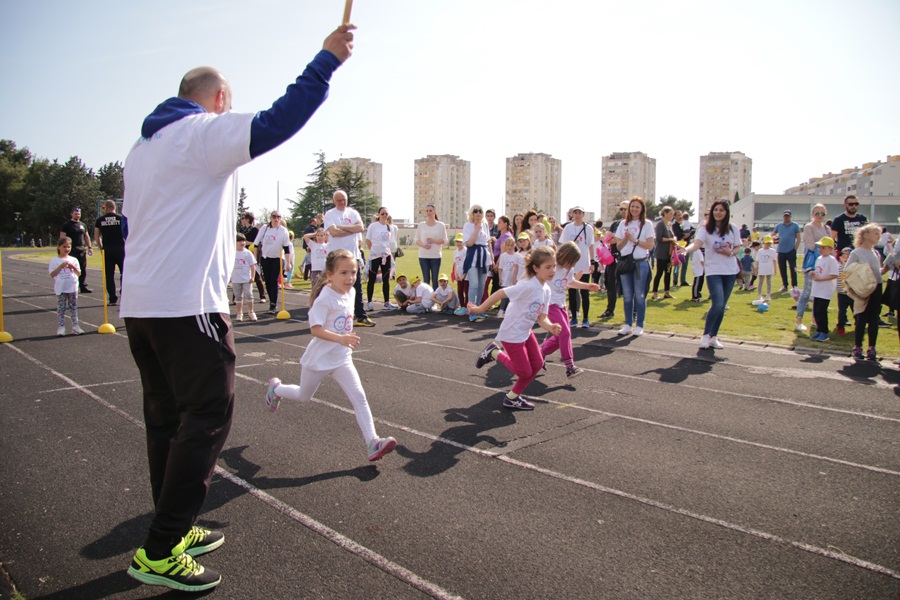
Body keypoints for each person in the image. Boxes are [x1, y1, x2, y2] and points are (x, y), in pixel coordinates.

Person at [120, 23, 355, 593]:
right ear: (219, 100)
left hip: (142, 305)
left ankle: (169, 530)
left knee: (167, 420)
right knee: (208, 416)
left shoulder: (141, 148)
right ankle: (159, 549)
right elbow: (278, 119)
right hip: (186, 304)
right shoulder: (198, 132)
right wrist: (326, 61)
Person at [265, 248, 396, 458]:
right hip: (318, 360)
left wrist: (345, 337)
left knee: (360, 398)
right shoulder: (325, 299)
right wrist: (340, 338)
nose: (350, 278)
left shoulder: (351, 292)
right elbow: (315, 329)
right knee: (303, 396)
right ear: (330, 275)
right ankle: (276, 389)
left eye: (353, 272)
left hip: (341, 358)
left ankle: (373, 442)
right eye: (343, 273)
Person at [469, 246, 561, 410]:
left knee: (538, 364)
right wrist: (479, 309)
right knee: (524, 372)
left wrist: (551, 327)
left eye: (554, 266)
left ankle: (511, 398)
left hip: (525, 331)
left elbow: (542, 317)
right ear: (536, 268)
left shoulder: (546, 289)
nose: (552, 270)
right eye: (548, 267)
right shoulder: (528, 286)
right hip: (511, 332)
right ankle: (494, 352)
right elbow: (500, 294)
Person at [681, 200, 741, 350]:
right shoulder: (706, 229)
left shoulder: (733, 228)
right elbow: (697, 244)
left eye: (721, 210)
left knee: (722, 307)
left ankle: (714, 336)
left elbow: (738, 246)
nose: (718, 213)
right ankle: (706, 335)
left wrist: (731, 252)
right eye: (715, 210)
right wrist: (685, 250)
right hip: (713, 271)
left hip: (730, 271)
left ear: (726, 213)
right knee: (718, 303)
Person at [540, 241, 600, 379]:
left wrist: (588, 286)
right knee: (565, 333)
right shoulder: (551, 266)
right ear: (565, 256)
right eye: (572, 261)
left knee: (559, 335)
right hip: (549, 304)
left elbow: (570, 282)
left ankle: (540, 354)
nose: (573, 265)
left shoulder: (568, 269)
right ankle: (570, 366)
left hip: (561, 305)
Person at [325, 189, 374, 327]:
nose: (342, 202)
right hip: (337, 257)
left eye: (344, 200)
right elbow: (334, 232)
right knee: (336, 286)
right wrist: (350, 228)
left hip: (353, 256)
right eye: (339, 200)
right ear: (334, 201)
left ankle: (361, 316)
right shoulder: (330, 214)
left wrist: (343, 228)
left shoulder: (353, 212)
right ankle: (335, 315)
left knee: (356, 287)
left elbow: (360, 228)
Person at [614, 197, 654, 336]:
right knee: (627, 296)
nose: (634, 209)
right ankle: (628, 324)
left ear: (642, 209)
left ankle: (640, 324)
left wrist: (635, 240)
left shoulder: (647, 224)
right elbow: (618, 247)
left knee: (640, 295)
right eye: (632, 206)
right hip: (626, 263)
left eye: (637, 207)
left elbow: (650, 245)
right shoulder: (622, 224)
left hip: (640, 262)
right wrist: (626, 238)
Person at [846, 224, 883, 360]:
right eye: (875, 233)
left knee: (874, 318)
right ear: (866, 235)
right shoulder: (856, 252)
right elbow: (848, 270)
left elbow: (878, 273)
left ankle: (872, 347)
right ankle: (857, 347)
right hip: (863, 289)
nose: (878, 236)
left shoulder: (875, 253)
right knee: (861, 317)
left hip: (877, 287)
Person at [794, 204, 831, 333]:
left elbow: (830, 245)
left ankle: (815, 320)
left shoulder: (826, 228)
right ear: (812, 214)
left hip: (824, 265)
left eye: (822, 213)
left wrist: (826, 251)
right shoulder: (809, 227)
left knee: (819, 295)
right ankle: (799, 321)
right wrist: (823, 249)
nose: (820, 216)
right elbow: (811, 245)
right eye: (817, 213)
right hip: (812, 264)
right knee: (806, 293)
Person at [559, 206, 594, 328]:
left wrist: (593, 261)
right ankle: (573, 317)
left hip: (584, 264)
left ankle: (585, 318)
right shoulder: (568, 227)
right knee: (572, 291)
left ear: (583, 214)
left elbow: (591, 245)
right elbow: (563, 245)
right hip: (571, 264)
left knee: (585, 292)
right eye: (575, 213)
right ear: (572, 214)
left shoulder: (588, 228)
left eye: (580, 213)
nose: (577, 215)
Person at [256, 211, 292, 313]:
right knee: (267, 280)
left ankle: (273, 304)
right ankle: (271, 300)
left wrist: (288, 263)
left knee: (273, 280)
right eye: (274, 217)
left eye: (278, 217)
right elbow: (257, 242)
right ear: (271, 218)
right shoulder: (265, 229)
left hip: (277, 258)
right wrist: (256, 258)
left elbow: (286, 248)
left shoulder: (283, 231)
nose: (276, 219)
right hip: (265, 258)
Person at [462, 204, 492, 322]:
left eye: (480, 211)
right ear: (472, 213)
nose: (478, 213)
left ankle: (479, 309)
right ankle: (471, 310)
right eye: (476, 211)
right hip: (472, 256)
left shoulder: (485, 225)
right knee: (473, 283)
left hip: (484, 256)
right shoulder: (468, 226)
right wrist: (477, 229)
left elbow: (488, 241)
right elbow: (469, 243)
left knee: (481, 285)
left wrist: (492, 258)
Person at [93, 199, 127, 305]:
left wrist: (100, 247)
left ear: (106, 208)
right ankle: (124, 295)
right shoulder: (121, 218)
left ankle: (112, 298)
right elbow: (127, 233)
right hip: (121, 249)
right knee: (124, 273)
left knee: (109, 275)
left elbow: (96, 236)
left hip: (107, 249)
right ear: (114, 207)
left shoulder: (100, 220)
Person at [599, 201, 629, 319]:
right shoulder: (615, 223)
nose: (622, 211)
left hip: (627, 257)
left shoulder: (632, 224)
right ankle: (610, 310)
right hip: (613, 257)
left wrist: (616, 237)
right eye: (621, 209)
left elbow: (622, 239)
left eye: (625, 209)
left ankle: (632, 312)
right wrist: (617, 238)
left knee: (627, 286)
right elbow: (608, 239)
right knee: (610, 284)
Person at [49, 236, 83, 336]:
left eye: (68, 247)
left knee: (73, 307)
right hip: (61, 288)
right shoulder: (54, 260)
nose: (67, 249)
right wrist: (61, 266)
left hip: (72, 287)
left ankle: (75, 326)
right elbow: (52, 274)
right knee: (61, 308)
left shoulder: (74, 259)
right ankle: (61, 327)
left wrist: (72, 266)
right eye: (64, 247)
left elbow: (79, 273)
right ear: (59, 247)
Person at [365, 207, 398, 310]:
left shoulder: (390, 228)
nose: (384, 215)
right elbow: (368, 240)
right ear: (379, 214)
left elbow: (390, 242)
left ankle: (386, 302)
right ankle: (369, 302)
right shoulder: (373, 226)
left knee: (386, 278)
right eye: (382, 213)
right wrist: (373, 251)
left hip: (386, 255)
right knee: (372, 278)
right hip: (375, 255)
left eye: (386, 214)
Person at [809, 237, 839, 342]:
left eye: (823, 247)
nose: (820, 249)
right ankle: (819, 330)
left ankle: (824, 332)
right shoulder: (819, 259)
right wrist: (813, 273)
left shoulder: (832, 260)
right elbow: (818, 271)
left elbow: (834, 275)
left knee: (822, 311)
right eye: (819, 247)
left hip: (825, 289)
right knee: (816, 311)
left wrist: (821, 279)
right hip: (817, 288)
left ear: (830, 249)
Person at [59, 206, 93, 293]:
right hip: (71, 250)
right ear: (71, 214)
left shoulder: (83, 225)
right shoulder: (67, 225)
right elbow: (62, 237)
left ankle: (83, 286)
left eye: (79, 214)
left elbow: (87, 236)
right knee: (70, 269)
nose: (77, 215)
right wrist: (62, 250)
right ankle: (69, 287)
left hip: (81, 249)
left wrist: (89, 247)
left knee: (82, 269)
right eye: (76, 214)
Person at [415, 203, 447, 289]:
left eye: (430, 210)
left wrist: (433, 241)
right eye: (427, 211)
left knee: (435, 278)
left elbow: (445, 240)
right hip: (423, 256)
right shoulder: (421, 225)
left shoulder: (440, 225)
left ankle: (435, 298)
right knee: (426, 279)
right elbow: (416, 240)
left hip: (435, 256)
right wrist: (423, 245)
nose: (429, 212)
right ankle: (427, 299)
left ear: (434, 212)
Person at [239, 212, 267, 303]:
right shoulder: (241, 230)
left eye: (243, 218)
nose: (242, 220)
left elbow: (256, 242)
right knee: (238, 273)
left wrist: (247, 242)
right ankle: (236, 297)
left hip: (251, 253)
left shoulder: (255, 230)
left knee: (257, 275)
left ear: (247, 219)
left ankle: (262, 296)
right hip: (240, 253)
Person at [651, 206, 677, 300]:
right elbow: (658, 238)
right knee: (659, 273)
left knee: (668, 272)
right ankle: (655, 293)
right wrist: (670, 239)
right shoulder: (660, 224)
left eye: (672, 214)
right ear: (664, 213)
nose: (671, 215)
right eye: (670, 213)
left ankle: (667, 292)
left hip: (669, 253)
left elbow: (672, 237)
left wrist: (675, 240)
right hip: (661, 253)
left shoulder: (669, 225)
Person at [231, 233, 257, 322]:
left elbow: (252, 266)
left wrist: (252, 277)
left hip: (246, 279)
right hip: (236, 279)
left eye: (243, 241)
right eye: (239, 241)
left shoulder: (248, 253)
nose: (242, 243)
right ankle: (239, 313)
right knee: (238, 297)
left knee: (249, 295)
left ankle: (251, 312)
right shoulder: (232, 253)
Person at [774, 210, 801, 291]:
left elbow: (798, 238)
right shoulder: (779, 226)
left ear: (790, 216)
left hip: (791, 250)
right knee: (782, 269)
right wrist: (776, 238)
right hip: (781, 250)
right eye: (785, 216)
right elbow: (773, 234)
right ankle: (785, 285)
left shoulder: (795, 225)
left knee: (793, 268)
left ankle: (795, 285)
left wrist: (795, 249)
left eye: (788, 216)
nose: (786, 217)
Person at [496, 236, 518, 317]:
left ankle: (508, 312)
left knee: (511, 297)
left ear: (514, 245)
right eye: (508, 245)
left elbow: (517, 268)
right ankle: (501, 311)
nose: (509, 247)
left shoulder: (516, 256)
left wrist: (515, 278)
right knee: (504, 296)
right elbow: (500, 268)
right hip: (505, 279)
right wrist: (500, 278)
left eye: (511, 245)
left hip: (513, 280)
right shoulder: (503, 256)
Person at [751, 236, 777, 305]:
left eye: (769, 243)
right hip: (762, 269)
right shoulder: (760, 251)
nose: (768, 245)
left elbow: (774, 260)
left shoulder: (773, 251)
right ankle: (759, 295)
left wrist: (775, 269)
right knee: (760, 282)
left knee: (769, 282)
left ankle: (768, 295)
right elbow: (757, 261)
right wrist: (756, 269)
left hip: (769, 269)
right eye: (767, 243)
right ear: (764, 243)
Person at [302, 227, 329, 292]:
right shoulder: (313, 245)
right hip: (315, 270)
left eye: (321, 235)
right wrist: (314, 234)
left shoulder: (327, 246)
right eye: (318, 235)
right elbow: (305, 237)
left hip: (324, 270)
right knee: (315, 289)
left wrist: (327, 235)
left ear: (325, 236)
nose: (320, 237)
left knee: (324, 289)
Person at [835, 247, 852, 336]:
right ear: (840, 257)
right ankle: (841, 327)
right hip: (841, 294)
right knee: (841, 312)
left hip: (852, 294)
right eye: (844, 256)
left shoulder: (854, 267)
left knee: (856, 311)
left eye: (848, 257)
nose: (846, 259)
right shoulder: (837, 266)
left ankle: (860, 326)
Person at [452, 233, 469, 314]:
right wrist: (456, 274)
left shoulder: (466, 251)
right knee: (459, 291)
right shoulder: (455, 252)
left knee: (466, 290)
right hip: (458, 275)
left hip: (466, 275)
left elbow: (466, 264)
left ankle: (466, 307)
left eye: (460, 241)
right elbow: (455, 263)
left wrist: (463, 275)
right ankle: (462, 306)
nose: (458, 243)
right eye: (457, 241)